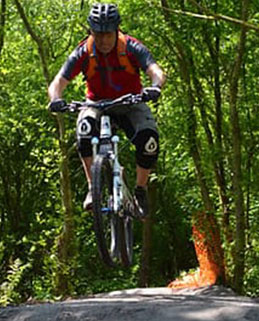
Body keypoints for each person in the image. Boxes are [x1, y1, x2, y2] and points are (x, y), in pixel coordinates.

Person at [47, 3, 166, 218]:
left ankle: (140, 190)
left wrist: (155, 87)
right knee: (84, 131)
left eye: (108, 34)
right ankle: (94, 188)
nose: (103, 40)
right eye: (98, 34)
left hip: (131, 102)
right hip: (96, 104)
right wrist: (56, 99)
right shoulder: (83, 51)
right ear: (91, 31)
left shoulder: (131, 47)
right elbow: (58, 81)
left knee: (149, 140)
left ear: (117, 30)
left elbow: (155, 70)